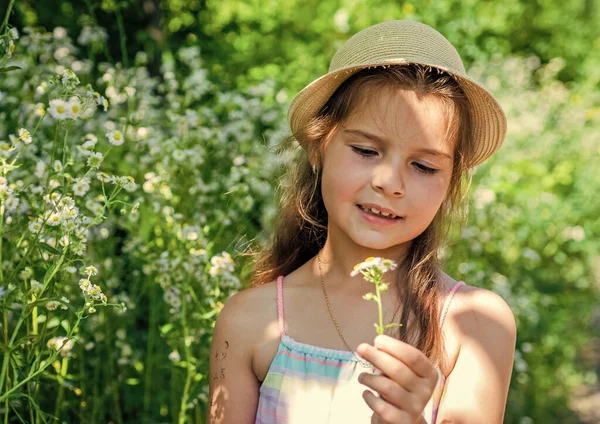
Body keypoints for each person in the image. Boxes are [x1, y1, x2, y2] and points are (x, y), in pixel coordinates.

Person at [208, 19, 517, 424]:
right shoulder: (250, 320)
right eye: (366, 151)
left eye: (424, 166)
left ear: (450, 184)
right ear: (319, 147)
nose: (390, 183)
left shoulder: (475, 324)